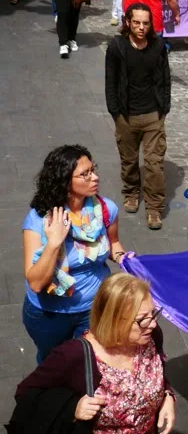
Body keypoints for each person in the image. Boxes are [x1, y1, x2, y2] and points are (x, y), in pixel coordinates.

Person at [15, 274, 175, 434]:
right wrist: (72, 408)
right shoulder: (74, 355)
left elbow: (159, 371)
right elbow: (27, 393)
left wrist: (168, 396)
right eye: (142, 319)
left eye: (153, 314)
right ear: (114, 318)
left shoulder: (150, 337)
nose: (151, 324)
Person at [22, 145, 128, 364]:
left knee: (88, 362)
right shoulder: (39, 220)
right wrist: (54, 242)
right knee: (53, 363)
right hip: (49, 316)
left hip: (94, 308)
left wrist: (124, 258)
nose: (95, 177)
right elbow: (35, 283)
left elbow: (113, 243)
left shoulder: (106, 209)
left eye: (93, 169)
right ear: (64, 181)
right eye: (85, 174)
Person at [105, 3, 171, 231]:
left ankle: (154, 207)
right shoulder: (117, 46)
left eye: (145, 23)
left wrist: (164, 108)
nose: (141, 27)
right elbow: (110, 82)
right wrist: (115, 112)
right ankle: (131, 192)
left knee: (154, 164)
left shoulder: (158, 46)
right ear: (127, 22)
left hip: (153, 114)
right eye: (136, 23)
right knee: (129, 160)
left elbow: (165, 78)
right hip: (126, 115)